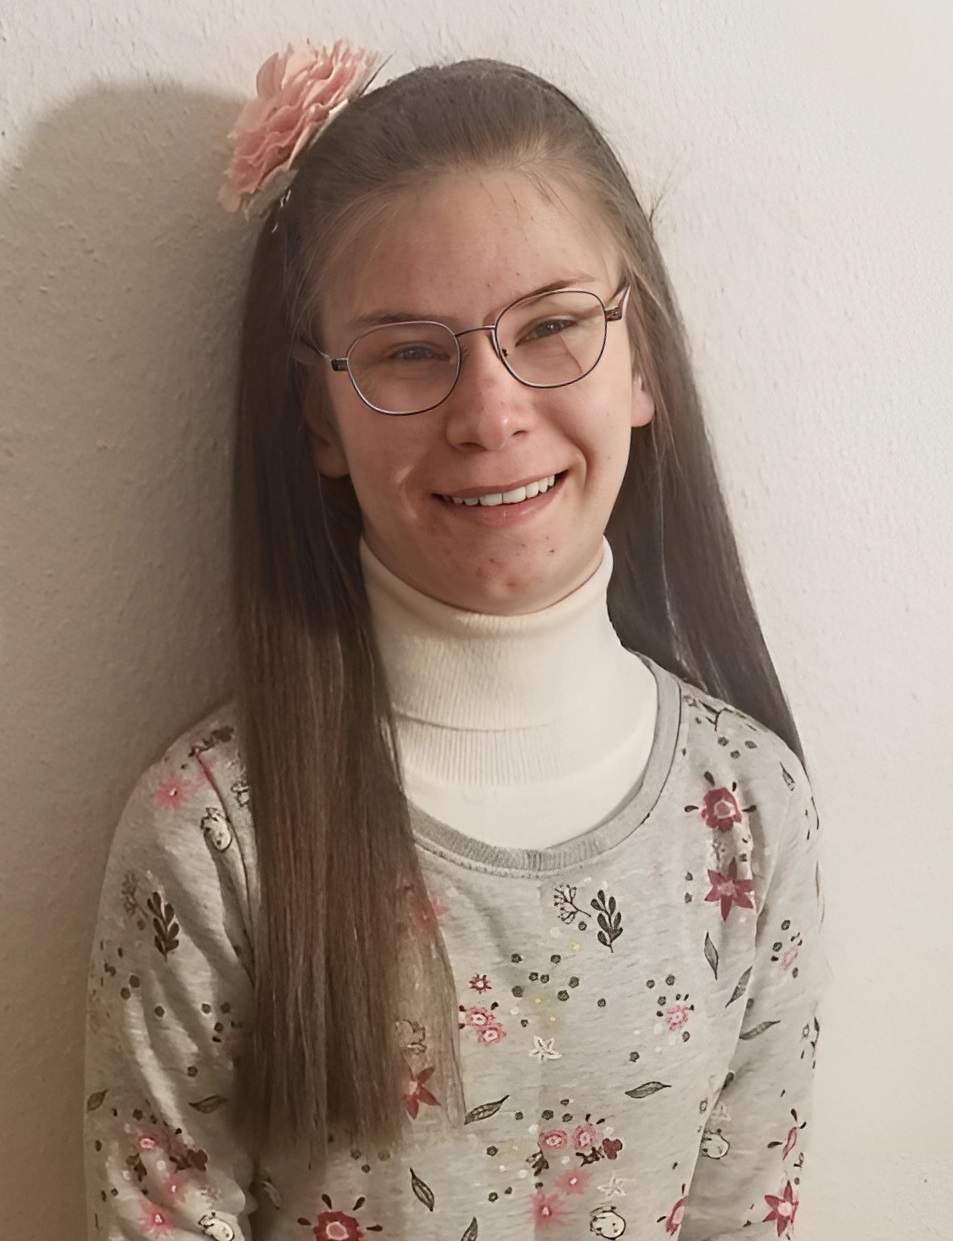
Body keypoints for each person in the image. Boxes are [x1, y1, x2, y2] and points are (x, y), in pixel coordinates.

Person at [84, 42, 823, 1241]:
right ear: (319, 413)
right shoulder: (212, 837)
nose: (489, 412)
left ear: (638, 356)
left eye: (553, 325)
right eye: (409, 352)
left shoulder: (747, 807)